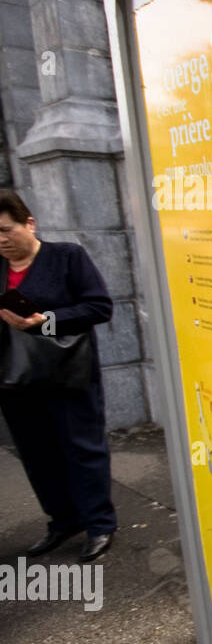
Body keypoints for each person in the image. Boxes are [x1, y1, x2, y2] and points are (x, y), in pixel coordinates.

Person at [0, 189, 116, 561]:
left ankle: (99, 524)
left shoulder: (66, 256)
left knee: (83, 449)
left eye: (6, 230)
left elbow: (99, 307)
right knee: (37, 454)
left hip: (67, 372)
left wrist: (45, 322)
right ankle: (63, 521)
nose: (1, 240)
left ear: (29, 223)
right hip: (15, 376)